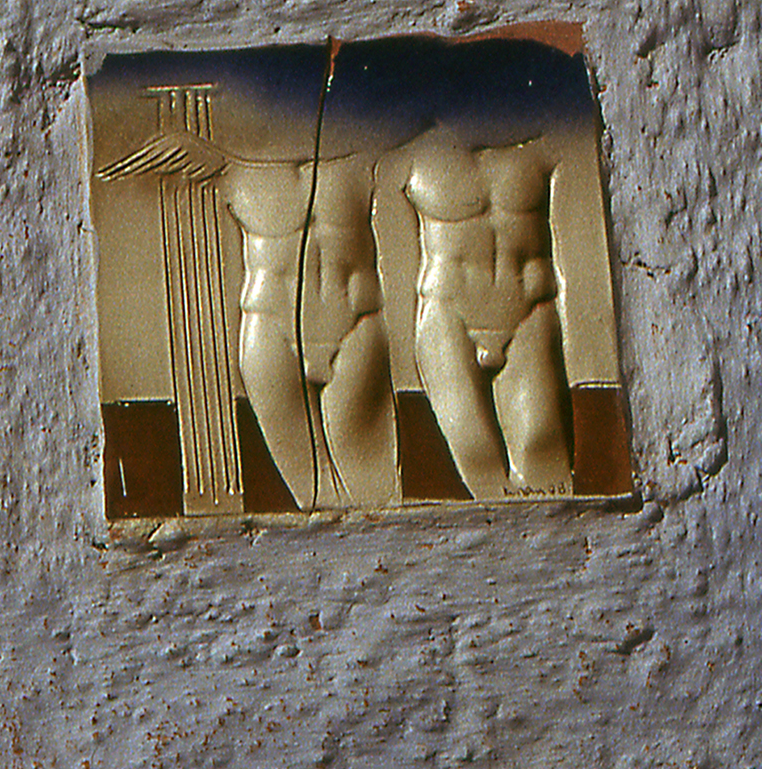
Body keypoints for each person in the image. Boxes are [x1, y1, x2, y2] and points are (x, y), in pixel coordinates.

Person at [98, 125, 398, 508]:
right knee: (312, 492)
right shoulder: (232, 172)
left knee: (374, 488)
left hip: (355, 324)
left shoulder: (362, 163)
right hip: (270, 329)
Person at [393, 129, 574, 498]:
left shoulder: (548, 136)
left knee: (543, 452)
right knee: (476, 460)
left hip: (529, 310)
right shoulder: (402, 152)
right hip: (449, 314)